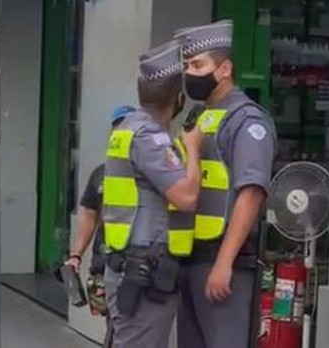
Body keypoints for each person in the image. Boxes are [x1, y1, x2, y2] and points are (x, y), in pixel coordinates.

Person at [172, 20, 277, 348]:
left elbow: (251, 193)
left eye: (199, 65)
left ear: (225, 69)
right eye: (187, 65)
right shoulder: (201, 116)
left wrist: (224, 263)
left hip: (222, 263)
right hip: (191, 261)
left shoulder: (247, 121)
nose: (191, 73)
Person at [102, 41, 204, 348]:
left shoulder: (127, 128)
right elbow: (186, 197)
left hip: (129, 263)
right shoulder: (150, 137)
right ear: (179, 98)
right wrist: (195, 151)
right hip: (143, 269)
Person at [64, 105, 135, 345]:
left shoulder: (149, 173)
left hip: (137, 265)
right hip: (104, 263)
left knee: (125, 327)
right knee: (112, 322)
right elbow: (89, 216)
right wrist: (75, 255)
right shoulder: (100, 175)